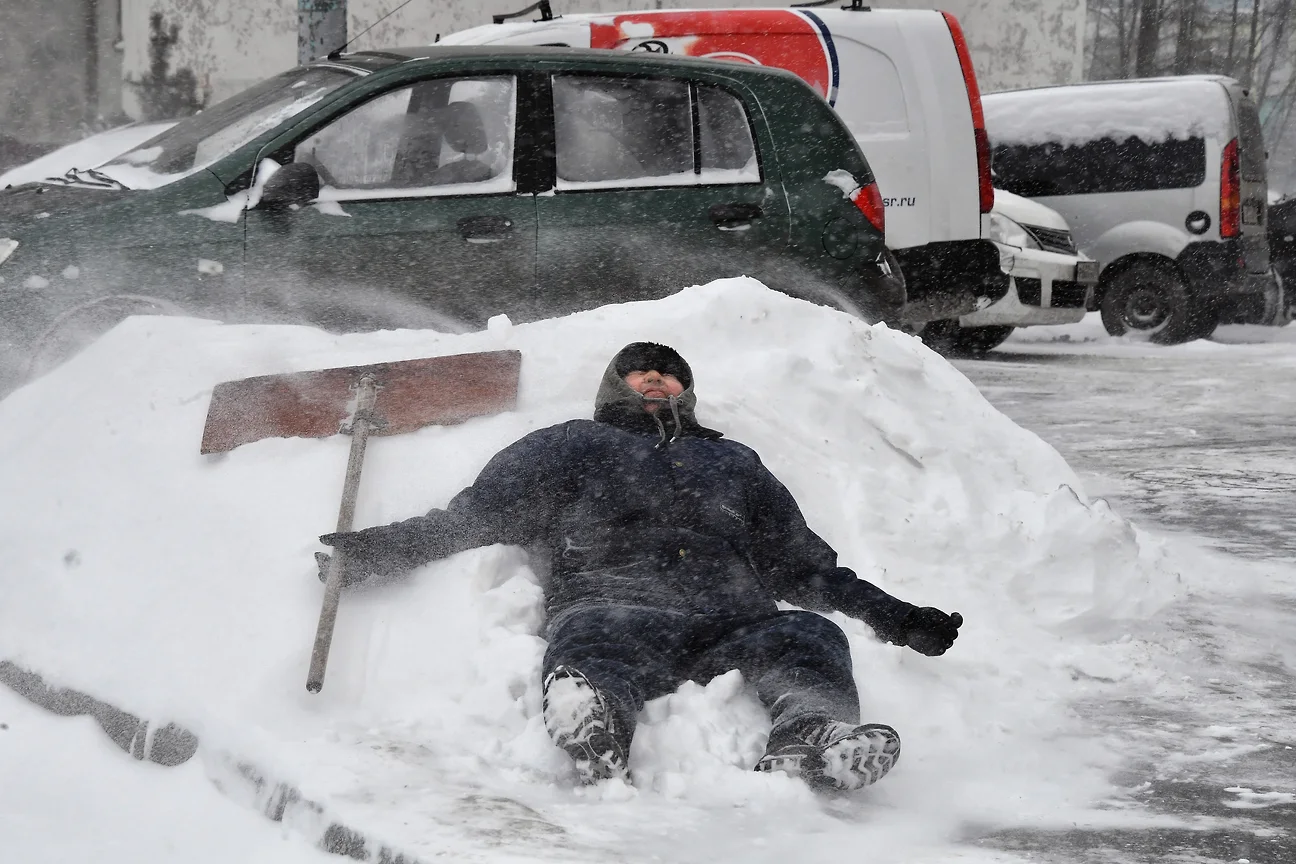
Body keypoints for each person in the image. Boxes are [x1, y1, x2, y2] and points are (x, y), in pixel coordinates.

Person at [318, 342, 962, 792]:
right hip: (614, 602)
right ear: (612, 386)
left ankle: (811, 736)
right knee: (594, 638)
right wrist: (375, 550)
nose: (655, 377)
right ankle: (594, 719)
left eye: (669, 372)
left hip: (732, 619)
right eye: (638, 371)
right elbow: (477, 515)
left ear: (689, 390)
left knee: (811, 636)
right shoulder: (574, 443)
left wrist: (899, 617)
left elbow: (802, 563)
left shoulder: (733, 461)